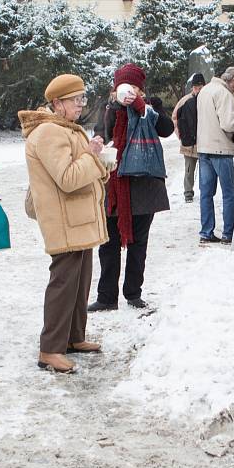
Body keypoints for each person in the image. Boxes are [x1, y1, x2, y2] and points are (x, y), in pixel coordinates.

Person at [19, 74, 111, 373]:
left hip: (78, 218)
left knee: (80, 280)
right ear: (57, 104)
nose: (80, 106)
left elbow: (83, 169)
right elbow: (69, 179)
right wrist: (93, 157)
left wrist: (100, 163)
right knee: (63, 283)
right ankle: (50, 349)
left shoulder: (67, 129)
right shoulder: (49, 133)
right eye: (75, 100)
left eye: (82, 99)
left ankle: (73, 337)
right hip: (64, 219)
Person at [88, 63, 174, 312]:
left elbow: (167, 130)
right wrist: (112, 114)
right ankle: (106, 297)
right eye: (126, 87)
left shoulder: (148, 112)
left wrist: (155, 108)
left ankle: (133, 293)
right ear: (115, 90)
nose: (131, 92)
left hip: (145, 187)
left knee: (139, 244)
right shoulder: (109, 110)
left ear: (142, 90)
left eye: (136, 87)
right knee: (108, 244)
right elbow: (101, 136)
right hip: (114, 187)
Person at [196, 66, 234, 244]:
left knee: (206, 194)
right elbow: (229, 123)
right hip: (221, 150)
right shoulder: (224, 94)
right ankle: (228, 233)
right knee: (229, 194)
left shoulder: (205, 90)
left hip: (203, 149)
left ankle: (206, 232)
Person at [172, 73, 206, 203]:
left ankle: (205, 192)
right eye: (196, 87)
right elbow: (174, 118)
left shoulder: (207, 98)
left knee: (205, 171)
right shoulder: (185, 101)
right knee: (189, 169)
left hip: (204, 142)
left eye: (200, 87)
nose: (198, 90)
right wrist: (180, 134)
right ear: (192, 87)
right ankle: (188, 192)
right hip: (188, 142)